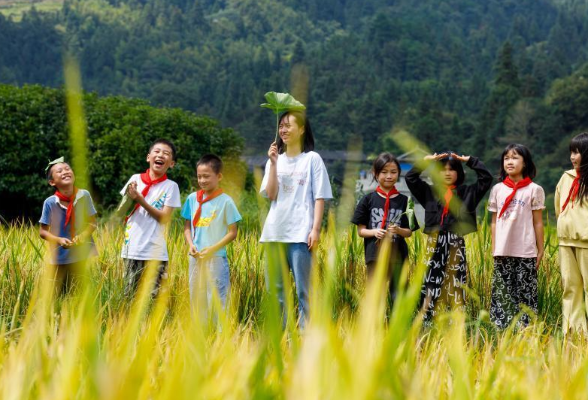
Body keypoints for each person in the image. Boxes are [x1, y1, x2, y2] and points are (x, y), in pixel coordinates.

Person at [259, 111, 333, 328]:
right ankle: (278, 340)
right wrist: (273, 164)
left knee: (305, 290)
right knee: (275, 292)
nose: (283, 130)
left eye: (288, 125)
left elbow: (319, 196)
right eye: (281, 125)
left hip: (301, 234)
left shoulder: (312, 159)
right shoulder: (274, 161)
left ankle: (304, 338)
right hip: (274, 234)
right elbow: (271, 195)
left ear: (302, 129)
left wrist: (316, 229)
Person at [405, 151, 492, 324]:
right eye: (442, 169)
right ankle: (427, 320)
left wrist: (470, 160)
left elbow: (486, 179)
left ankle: (456, 321)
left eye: (451, 169)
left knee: (456, 280)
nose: (447, 173)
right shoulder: (429, 193)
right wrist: (425, 162)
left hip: (455, 242)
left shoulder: (468, 193)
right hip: (433, 241)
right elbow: (411, 178)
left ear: (458, 173)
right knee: (430, 279)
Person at [488, 144, 544, 329]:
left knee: (525, 292)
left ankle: (526, 329)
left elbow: (537, 222)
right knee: (502, 291)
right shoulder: (497, 189)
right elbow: (494, 222)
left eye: (515, 158)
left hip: (526, 250)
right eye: (506, 158)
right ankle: (501, 328)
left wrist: (540, 249)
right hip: (503, 250)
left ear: (525, 163)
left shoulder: (534, 190)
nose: (509, 162)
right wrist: (495, 247)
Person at [351, 152, 417, 303]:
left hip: (398, 257)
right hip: (375, 256)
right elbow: (361, 231)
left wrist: (399, 230)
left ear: (398, 174)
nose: (389, 176)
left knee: (398, 295)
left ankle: (398, 325)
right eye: (384, 172)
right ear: (375, 173)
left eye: (393, 172)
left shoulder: (406, 201)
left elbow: (409, 232)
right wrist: (374, 231)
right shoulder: (367, 200)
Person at [120, 139, 181, 298]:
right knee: (129, 298)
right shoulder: (135, 179)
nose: (161, 155)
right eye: (157, 151)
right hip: (131, 249)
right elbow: (122, 210)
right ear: (148, 157)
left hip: (155, 252)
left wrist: (140, 200)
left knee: (155, 300)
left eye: (166, 153)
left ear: (172, 163)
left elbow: (164, 218)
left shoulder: (171, 186)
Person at [181, 154, 241, 315]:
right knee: (196, 297)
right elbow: (187, 227)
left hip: (215, 258)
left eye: (206, 176)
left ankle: (222, 337)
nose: (202, 180)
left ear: (219, 176)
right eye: (199, 176)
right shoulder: (192, 199)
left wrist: (212, 249)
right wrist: (191, 245)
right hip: (195, 257)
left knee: (218, 298)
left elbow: (232, 232)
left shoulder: (226, 201)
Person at [39, 157, 97, 295]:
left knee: (81, 292)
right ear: (52, 182)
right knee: (58, 293)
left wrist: (83, 236)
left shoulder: (84, 196)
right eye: (59, 171)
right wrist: (59, 240)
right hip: (60, 256)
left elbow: (93, 223)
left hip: (81, 254)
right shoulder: (50, 203)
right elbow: (43, 232)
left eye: (67, 169)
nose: (65, 172)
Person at [555, 132, 588, 333]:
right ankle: (575, 333)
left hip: (586, 241)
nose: (572, 157)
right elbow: (559, 207)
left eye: (577, 152)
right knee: (570, 289)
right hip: (566, 242)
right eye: (571, 152)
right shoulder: (566, 177)